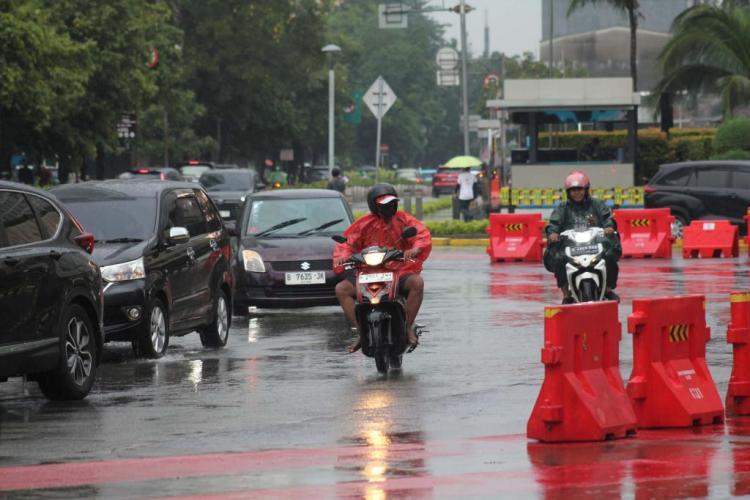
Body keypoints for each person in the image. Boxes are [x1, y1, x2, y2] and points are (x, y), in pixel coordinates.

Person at [333, 183, 432, 353]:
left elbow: (421, 235)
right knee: (341, 289)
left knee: (417, 283)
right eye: (384, 204)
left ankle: (407, 327)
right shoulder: (363, 223)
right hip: (368, 271)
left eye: (392, 203)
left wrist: (415, 248)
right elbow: (347, 243)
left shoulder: (404, 220)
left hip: (399, 271)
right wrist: (342, 257)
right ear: (374, 205)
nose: (389, 207)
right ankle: (361, 332)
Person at [544, 171, 621, 304]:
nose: (577, 193)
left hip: (596, 243)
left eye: (579, 189)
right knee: (558, 259)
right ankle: (566, 295)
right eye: (573, 190)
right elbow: (554, 224)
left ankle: (608, 289)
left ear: (586, 190)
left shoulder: (597, 204)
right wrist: (553, 233)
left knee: (609, 256)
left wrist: (609, 227)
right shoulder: (563, 208)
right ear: (568, 192)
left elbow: (607, 218)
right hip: (571, 245)